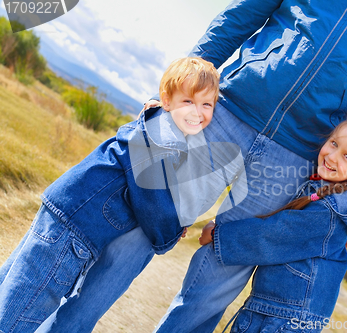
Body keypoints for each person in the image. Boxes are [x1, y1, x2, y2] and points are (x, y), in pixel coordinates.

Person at [44, 0, 347, 331]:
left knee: (219, 275)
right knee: (139, 228)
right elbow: (237, 18)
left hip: (297, 157)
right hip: (226, 113)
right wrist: (178, 93)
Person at [0, 57, 220, 333]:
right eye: (188, 101)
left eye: (206, 104)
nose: (197, 112)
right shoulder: (158, 137)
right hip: (73, 232)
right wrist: (172, 231)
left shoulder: (156, 130)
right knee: (22, 310)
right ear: (166, 100)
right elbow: (151, 200)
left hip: (64, 216)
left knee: (11, 292)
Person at [198, 118, 347, 332]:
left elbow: (274, 235)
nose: (333, 156)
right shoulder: (324, 189)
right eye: (334, 143)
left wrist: (219, 236)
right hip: (279, 311)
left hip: (285, 319)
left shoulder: (329, 212)